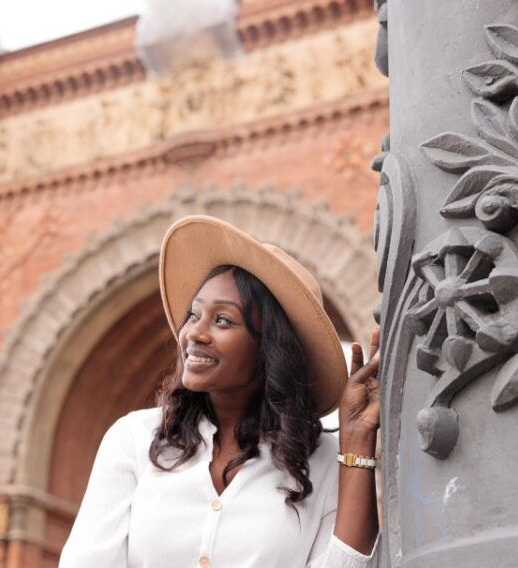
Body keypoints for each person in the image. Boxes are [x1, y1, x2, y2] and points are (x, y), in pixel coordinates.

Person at [60, 215, 380, 567]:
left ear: (271, 349)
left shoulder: (322, 460)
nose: (194, 333)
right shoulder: (135, 438)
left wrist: (358, 441)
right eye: (193, 315)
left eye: (222, 320)